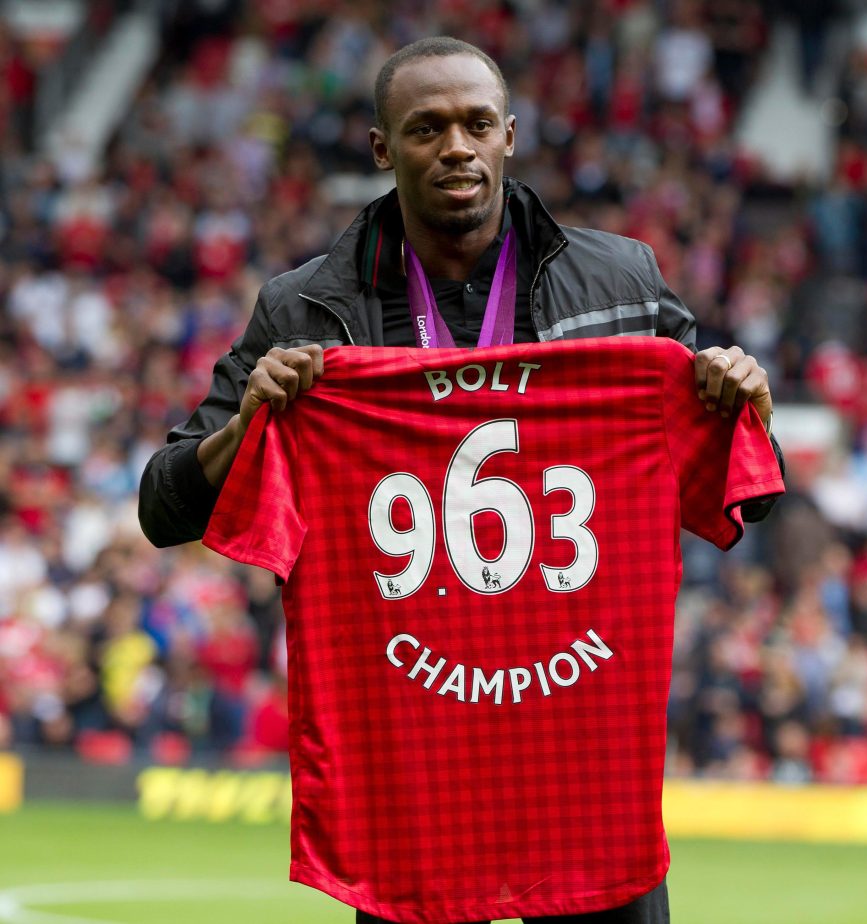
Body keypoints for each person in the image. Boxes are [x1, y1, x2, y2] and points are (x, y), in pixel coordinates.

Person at [140, 35, 781, 924]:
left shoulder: (622, 280)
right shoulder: (307, 308)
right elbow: (162, 508)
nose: (455, 147)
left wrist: (740, 399)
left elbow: (733, 479)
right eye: (426, 127)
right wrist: (247, 428)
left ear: (510, 135)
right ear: (380, 148)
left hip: (581, 768)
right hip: (413, 780)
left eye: (477, 124)